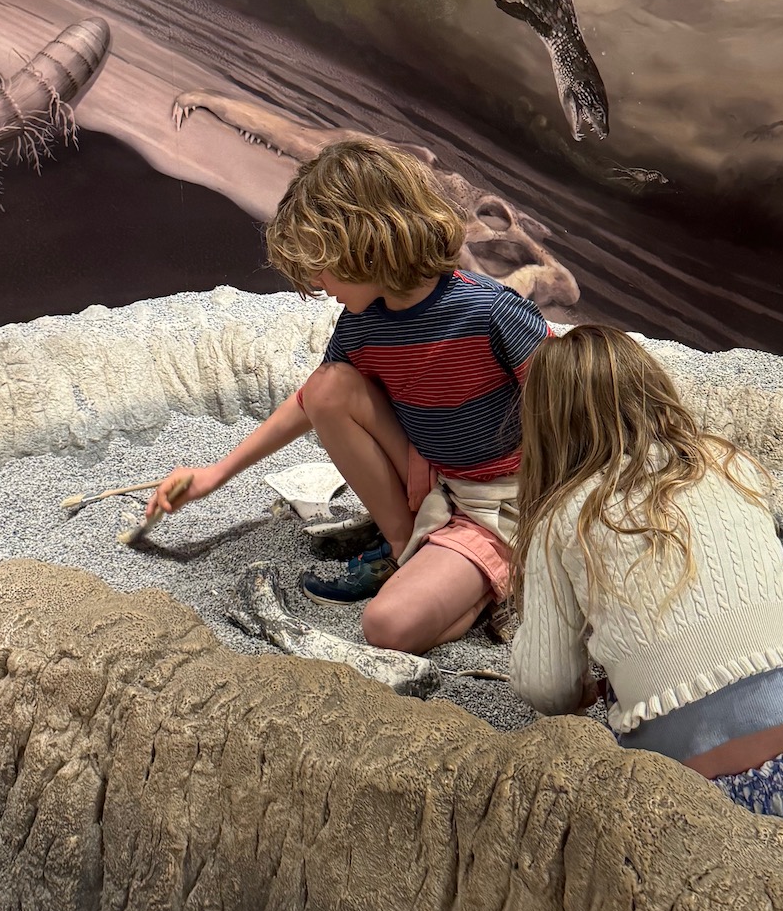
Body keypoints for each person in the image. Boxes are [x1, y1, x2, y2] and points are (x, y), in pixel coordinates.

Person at [144, 138, 550, 655]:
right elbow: (312, 401)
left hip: (512, 496)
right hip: (439, 477)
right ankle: (407, 548)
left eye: (322, 264)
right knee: (329, 387)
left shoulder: (491, 312)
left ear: (367, 244)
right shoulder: (362, 326)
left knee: (388, 626)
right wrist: (216, 473)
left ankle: (500, 574)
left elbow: (568, 406)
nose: (315, 282)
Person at [508, 325, 783, 849]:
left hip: (685, 793)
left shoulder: (561, 519)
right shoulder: (725, 461)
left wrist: (586, 680)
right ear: (652, 389)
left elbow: (545, 688)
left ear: (544, 424)